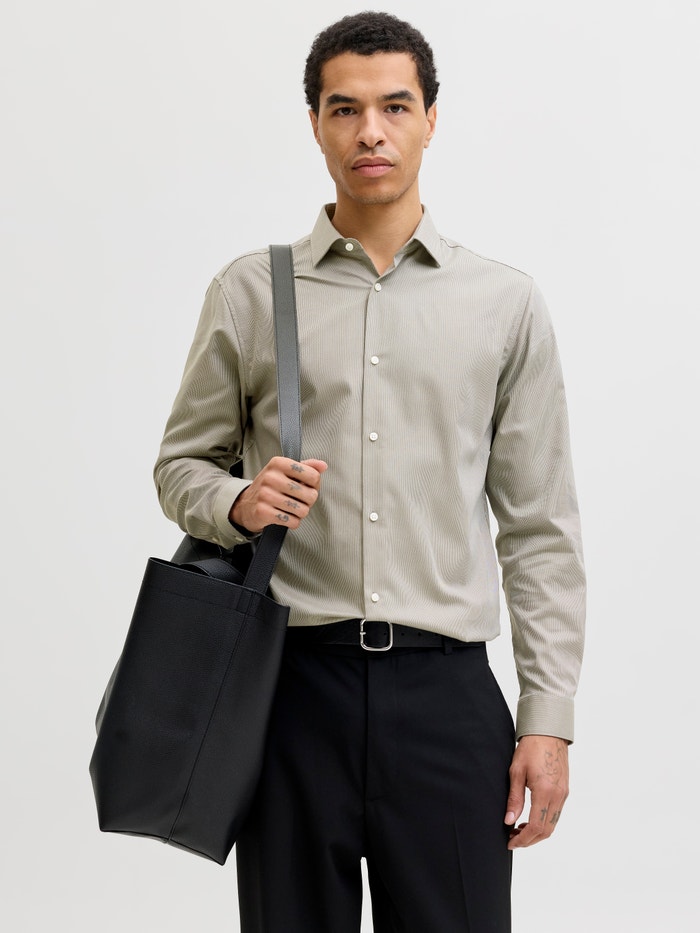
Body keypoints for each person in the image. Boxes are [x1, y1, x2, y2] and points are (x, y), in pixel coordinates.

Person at [154, 11, 585, 932]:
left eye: (395, 106)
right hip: (289, 693)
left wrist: (547, 718)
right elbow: (181, 465)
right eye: (345, 109)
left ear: (431, 119)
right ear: (315, 124)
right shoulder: (251, 292)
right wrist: (237, 500)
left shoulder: (503, 303)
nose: (371, 133)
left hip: (448, 699)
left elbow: (539, 529)